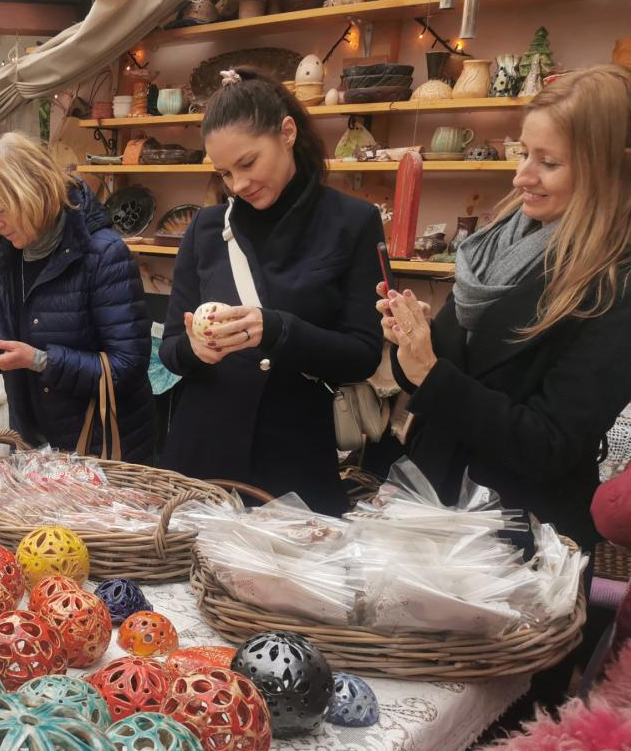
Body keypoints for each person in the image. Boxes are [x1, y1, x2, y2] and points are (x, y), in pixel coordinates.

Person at [379, 65, 631, 550]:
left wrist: (432, 373)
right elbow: (445, 378)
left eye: (548, 162)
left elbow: (550, 444)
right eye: (523, 152)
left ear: (608, 169)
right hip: (430, 508)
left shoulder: (615, 283)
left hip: (516, 537)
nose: (522, 177)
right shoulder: (498, 242)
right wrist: (413, 343)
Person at [159, 67, 385, 514]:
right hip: (202, 453)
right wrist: (195, 349)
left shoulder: (351, 223)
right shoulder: (207, 228)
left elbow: (363, 354)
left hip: (293, 458)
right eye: (225, 173)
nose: (238, 185)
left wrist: (278, 329)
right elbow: (170, 349)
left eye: (248, 164)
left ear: (287, 133)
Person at [0, 131, 154, 462]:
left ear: (34, 194)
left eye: (1, 209)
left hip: (98, 452)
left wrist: (39, 360)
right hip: (35, 449)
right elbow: (27, 331)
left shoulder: (104, 255)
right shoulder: (8, 252)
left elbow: (127, 367)